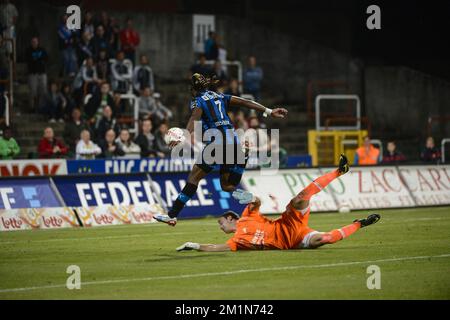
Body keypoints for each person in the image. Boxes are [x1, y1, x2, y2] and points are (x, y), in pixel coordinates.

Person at [153, 73, 287, 226]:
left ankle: (172, 215)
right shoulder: (219, 96)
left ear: (192, 89)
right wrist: (269, 111)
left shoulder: (198, 101)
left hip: (217, 144)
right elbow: (244, 102)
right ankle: (244, 165)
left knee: (193, 179)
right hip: (233, 142)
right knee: (227, 186)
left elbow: (194, 118)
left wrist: (183, 134)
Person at [176, 155, 380, 252]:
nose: (221, 227)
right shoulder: (237, 241)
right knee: (325, 239)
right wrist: (194, 245)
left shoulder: (247, 215)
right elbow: (216, 248)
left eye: (221, 223)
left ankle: (339, 171)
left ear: (231, 218)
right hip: (294, 241)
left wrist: (245, 196)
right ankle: (359, 224)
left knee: (299, 198)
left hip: (289, 223)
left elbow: (257, 201)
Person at [25, 37, 48, 112]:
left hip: (42, 73)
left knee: (43, 90)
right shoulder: (28, 50)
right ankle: (31, 107)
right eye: (33, 42)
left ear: (38, 42)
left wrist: (38, 60)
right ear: (31, 42)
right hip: (32, 73)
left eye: (36, 41)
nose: (34, 43)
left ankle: (41, 107)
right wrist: (38, 59)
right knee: (33, 91)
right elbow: (29, 60)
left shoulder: (42, 49)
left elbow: (46, 58)